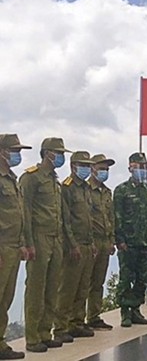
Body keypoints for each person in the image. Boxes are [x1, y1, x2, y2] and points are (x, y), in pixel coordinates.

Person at [20, 137, 70, 352]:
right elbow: (25, 212)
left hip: (55, 238)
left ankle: (45, 332)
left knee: (52, 288)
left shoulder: (54, 180)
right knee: (36, 288)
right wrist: (28, 242)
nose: (61, 158)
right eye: (58, 153)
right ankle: (32, 338)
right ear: (47, 153)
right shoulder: (31, 178)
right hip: (38, 238)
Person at [54, 151, 96, 342]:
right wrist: (72, 244)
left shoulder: (86, 188)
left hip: (88, 244)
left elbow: (89, 218)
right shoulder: (67, 188)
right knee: (67, 288)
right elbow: (66, 220)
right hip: (74, 245)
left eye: (88, 165)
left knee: (83, 287)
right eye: (83, 165)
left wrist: (92, 242)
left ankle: (77, 323)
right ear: (73, 166)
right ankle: (61, 327)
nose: (86, 169)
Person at [114, 152, 147, 328]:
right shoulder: (122, 190)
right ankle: (125, 312)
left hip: (145, 243)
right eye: (140, 166)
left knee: (142, 279)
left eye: (145, 166)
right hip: (128, 244)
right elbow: (117, 217)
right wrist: (120, 239)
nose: (143, 169)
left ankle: (136, 309)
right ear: (131, 167)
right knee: (126, 278)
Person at [0, 134, 30, 360]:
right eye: (14, 150)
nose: (17, 155)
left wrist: (21, 244)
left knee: (5, 298)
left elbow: (18, 215)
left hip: (12, 247)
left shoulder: (11, 178)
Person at [86, 154, 116, 331]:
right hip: (90, 242)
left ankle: (94, 316)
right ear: (92, 168)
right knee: (83, 283)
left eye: (107, 169)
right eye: (102, 168)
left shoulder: (106, 192)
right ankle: (75, 320)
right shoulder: (86, 189)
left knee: (98, 282)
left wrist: (111, 240)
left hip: (104, 242)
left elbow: (110, 217)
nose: (105, 172)